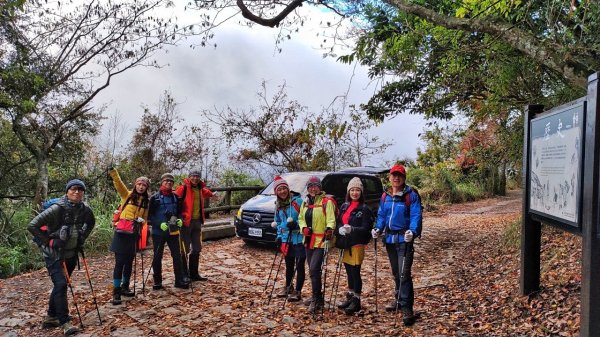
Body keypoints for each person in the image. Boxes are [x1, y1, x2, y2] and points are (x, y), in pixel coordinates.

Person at [27, 179, 95, 336]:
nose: (76, 192)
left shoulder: (85, 209)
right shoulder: (57, 208)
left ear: (83, 192)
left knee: (60, 285)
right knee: (62, 284)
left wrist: (82, 237)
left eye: (80, 189)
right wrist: (49, 241)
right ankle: (65, 322)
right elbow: (32, 225)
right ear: (67, 191)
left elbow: (91, 223)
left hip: (71, 253)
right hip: (54, 254)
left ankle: (51, 316)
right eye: (73, 189)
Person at [372, 164, 422, 326]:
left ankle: (407, 308)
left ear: (404, 177)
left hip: (405, 240)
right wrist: (378, 228)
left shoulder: (411, 195)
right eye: (394, 175)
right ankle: (399, 300)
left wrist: (413, 232)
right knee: (396, 272)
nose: (396, 178)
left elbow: (416, 215)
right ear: (389, 177)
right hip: (390, 240)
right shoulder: (385, 196)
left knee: (404, 273)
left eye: (399, 175)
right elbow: (381, 215)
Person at [108, 167, 150, 305]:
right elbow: (119, 184)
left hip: (134, 235)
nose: (141, 187)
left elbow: (145, 218)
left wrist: (143, 222)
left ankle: (125, 287)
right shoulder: (127, 195)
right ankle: (116, 291)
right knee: (119, 263)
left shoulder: (145, 202)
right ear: (135, 184)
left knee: (129, 262)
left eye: (144, 185)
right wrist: (113, 172)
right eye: (139, 184)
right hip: (121, 234)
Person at [335, 177, 373, 315]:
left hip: (356, 244)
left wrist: (352, 229)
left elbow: (366, 228)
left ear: (361, 192)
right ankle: (350, 297)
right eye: (352, 190)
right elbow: (339, 221)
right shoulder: (344, 206)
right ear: (348, 191)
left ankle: (356, 300)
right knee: (348, 272)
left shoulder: (364, 209)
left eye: (357, 190)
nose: (355, 192)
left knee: (355, 272)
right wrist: (339, 229)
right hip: (345, 244)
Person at [298, 176, 336, 314]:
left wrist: (329, 229)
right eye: (310, 186)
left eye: (315, 186)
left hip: (321, 241)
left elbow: (331, 219)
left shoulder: (327, 202)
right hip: (308, 240)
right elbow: (301, 218)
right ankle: (318, 296)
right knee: (313, 270)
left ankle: (315, 299)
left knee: (314, 269)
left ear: (320, 187)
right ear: (307, 188)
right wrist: (303, 228)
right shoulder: (305, 202)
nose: (313, 188)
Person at [148, 173, 189, 290]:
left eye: (171, 181)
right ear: (162, 182)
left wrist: (180, 219)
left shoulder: (176, 197)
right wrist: (158, 223)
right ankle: (157, 281)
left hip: (173, 231)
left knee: (177, 256)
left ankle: (179, 280)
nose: (169, 183)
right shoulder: (154, 198)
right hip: (158, 232)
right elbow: (149, 216)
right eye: (166, 181)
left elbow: (179, 212)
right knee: (157, 257)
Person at [174, 168, 215, 282]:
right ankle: (184, 275)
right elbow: (174, 198)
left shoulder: (200, 188)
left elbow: (207, 192)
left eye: (197, 176)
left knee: (197, 248)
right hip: (186, 222)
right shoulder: (183, 188)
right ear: (189, 177)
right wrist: (177, 217)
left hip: (197, 221)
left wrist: (212, 194)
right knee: (184, 249)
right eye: (193, 176)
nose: (195, 178)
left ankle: (194, 274)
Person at [271, 176, 305, 302]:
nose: (282, 191)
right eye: (279, 190)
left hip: (299, 238)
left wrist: (296, 225)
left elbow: (305, 218)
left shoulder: (298, 202)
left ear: (288, 189)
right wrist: (279, 237)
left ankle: (298, 291)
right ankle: (288, 286)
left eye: (284, 188)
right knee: (289, 265)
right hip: (286, 239)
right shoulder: (278, 205)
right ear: (276, 192)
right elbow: (278, 222)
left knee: (300, 265)